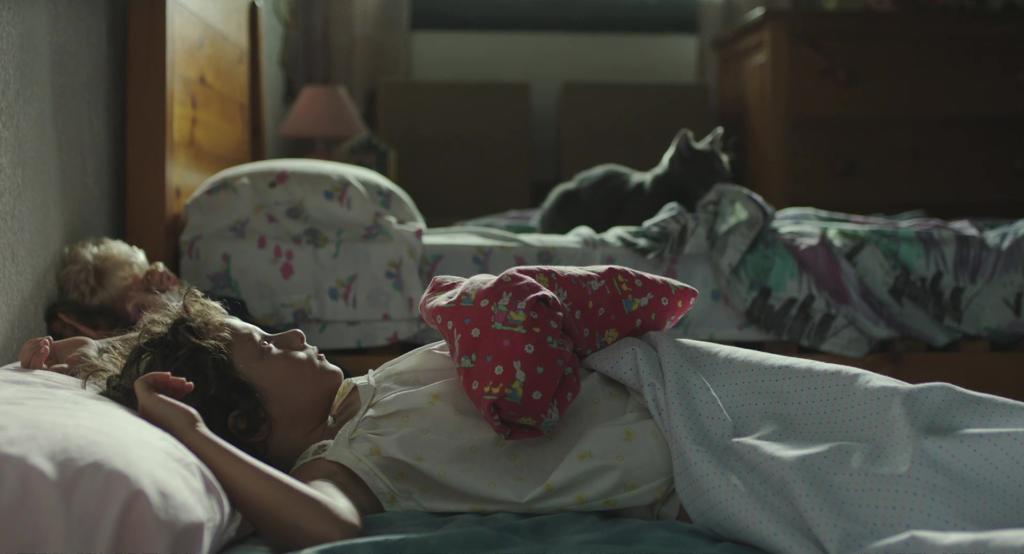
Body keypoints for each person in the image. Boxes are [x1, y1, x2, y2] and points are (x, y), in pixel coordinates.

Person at [24, 288, 683, 551]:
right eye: (269, 347)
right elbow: (325, 526)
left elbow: (187, 354)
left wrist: (85, 353)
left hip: (659, 380)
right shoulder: (342, 462)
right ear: (249, 423)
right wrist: (190, 433)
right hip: (684, 456)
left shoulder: (361, 394)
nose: (294, 334)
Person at [48, 237, 256, 339]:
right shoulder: (143, 335)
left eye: (146, 284)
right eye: (136, 312)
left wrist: (175, 286)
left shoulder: (224, 309)